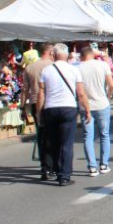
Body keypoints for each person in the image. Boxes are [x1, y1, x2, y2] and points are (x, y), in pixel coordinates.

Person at [37, 43, 91, 186]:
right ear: (67, 55)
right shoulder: (74, 70)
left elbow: (41, 94)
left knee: (54, 142)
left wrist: (38, 112)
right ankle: (64, 176)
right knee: (66, 143)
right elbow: (80, 92)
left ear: (53, 55)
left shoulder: (46, 71)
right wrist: (87, 110)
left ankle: (57, 170)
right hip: (68, 108)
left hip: (51, 109)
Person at [21, 43, 55, 180]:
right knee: (53, 135)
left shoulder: (30, 67)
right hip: (52, 101)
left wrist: (22, 107)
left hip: (35, 103)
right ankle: (51, 165)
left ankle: (44, 166)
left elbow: (24, 90)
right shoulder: (53, 65)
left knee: (41, 134)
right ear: (50, 52)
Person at [79, 46, 113, 177]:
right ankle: (104, 165)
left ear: (82, 56)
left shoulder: (79, 68)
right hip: (102, 104)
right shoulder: (103, 65)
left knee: (88, 136)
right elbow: (111, 84)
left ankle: (92, 167)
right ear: (92, 55)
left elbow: (79, 90)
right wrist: (108, 96)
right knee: (104, 134)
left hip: (85, 106)